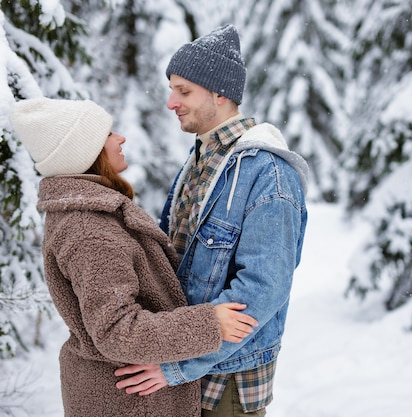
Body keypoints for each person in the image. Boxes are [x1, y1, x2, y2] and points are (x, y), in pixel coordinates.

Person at [8, 96, 258, 417]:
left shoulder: (93, 214)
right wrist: (209, 323)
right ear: (87, 152)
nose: (120, 138)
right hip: (129, 402)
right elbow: (118, 332)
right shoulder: (89, 229)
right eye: (108, 134)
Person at [115, 24, 309, 416]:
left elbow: (263, 288)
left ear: (220, 94)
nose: (171, 102)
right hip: (184, 371)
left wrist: (176, 365)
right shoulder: (203, 158)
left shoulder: (267, 171)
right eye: (172, 89)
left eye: (183, 91)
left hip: (226, 381)